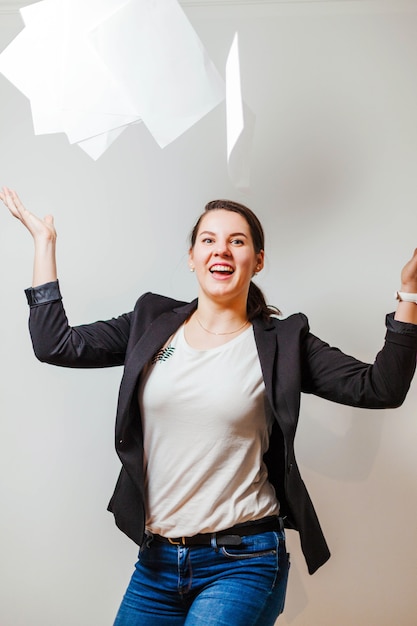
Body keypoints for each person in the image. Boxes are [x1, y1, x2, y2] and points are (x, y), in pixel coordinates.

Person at [2, 185, 417, 626]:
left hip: (243, 561)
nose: (222, 250)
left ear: (257, 260)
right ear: (192, 256)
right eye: (209, 240)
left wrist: (410, 294)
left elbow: (379, 388)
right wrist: (44, 245)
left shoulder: (284, 342)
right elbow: (56, 345)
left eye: (237, 241)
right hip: (157, 561)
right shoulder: (151, 322)